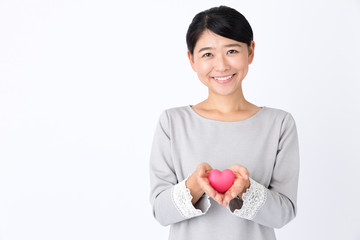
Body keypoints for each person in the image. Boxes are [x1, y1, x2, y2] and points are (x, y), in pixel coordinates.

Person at [149, 5, 300, 240]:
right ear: (192, 60)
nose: (221, 66)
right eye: (207, 54)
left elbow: (284, 214)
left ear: (250, 52)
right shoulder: (172, 122)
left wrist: (247, 189)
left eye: (232, 51)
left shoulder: (279, 124)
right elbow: (160, 212)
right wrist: (195, 185)